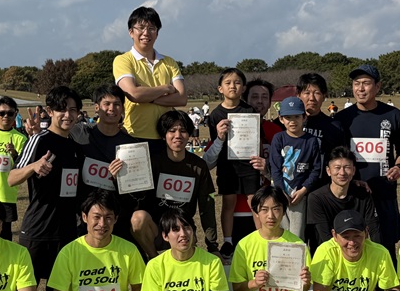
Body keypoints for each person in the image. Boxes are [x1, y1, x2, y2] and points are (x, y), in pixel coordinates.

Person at [8, 86, 84, 291]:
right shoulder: (39, 140)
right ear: (50, 111)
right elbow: (12, 178)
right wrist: (33, 167)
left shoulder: (75, 145)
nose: (67, 115)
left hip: (66, 232)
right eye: (62, 109)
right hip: (37, 230)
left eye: (73, 110)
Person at [336, 64, 400, 266]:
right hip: (352, 194)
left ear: (377, 86)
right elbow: (336, 156)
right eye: (356, 83)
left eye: (366, 83)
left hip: (384, 191)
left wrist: (398, 167)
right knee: (352, 247)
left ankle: (388, 284)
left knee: (385, 248)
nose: (360, 88)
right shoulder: (342, 119)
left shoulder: (393, 115)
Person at [133, 111, 219, 259]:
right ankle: (154, 261)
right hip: (155, 229)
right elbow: (137, 198)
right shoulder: (152, 162)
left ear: (189, 134)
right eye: (172, 131)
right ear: (163, 135)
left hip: (183, 229)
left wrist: (212, 246)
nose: (178, 135)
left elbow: (207, 207)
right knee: (138, 218)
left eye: (183, 131)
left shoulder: (199, 166)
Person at [70, 84, 141, 241]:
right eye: (106, 104)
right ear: (97, 107)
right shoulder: (79, 133)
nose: (112, 109)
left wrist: (119, 180)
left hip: (117, 220)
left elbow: (134, 197)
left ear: (123, 108)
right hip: (83, 218)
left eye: (117, 104)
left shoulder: (132, 146)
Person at [113, 6, 186, 149]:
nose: (146, 33)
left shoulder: (169, 62)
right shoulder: (123, 60)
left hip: (165, 137)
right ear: (131, 32)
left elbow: (181, 98)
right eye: (140, 28)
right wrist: (165, 88)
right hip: (134, 135)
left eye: (152, 28)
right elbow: (133, 94)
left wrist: (147, 97)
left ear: (157, 33)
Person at [208, 68, 261, 260]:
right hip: (227, 166)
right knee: (228, 203)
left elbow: (257, 139)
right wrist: (220, 134)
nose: (233, 86)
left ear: (243, 88)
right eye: (228, 83)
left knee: (254, 202)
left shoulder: (250, 111)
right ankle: (228, 241)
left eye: (237, 82)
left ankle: (260, 239)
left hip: (249, 165)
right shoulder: (215, 114)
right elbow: (215, 144)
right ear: (220, 88)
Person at [306, 146, 380, 252]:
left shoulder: (363, 195)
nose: (342, 172)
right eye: (337, 167)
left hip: (357, 251)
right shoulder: (316, 198)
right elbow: (325, 236)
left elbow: (373, 228)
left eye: (347, 167)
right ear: (328, 171)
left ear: (353, 170)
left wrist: (377, 252)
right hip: (329, 253)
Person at [269, 97, 321, 240]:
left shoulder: (311, 141)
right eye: (288, 117)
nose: (292, 121)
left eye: (297, 116)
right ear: (281, 119)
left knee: (297, 235)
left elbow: (316, 169)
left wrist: (304, 190)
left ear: (304, 117)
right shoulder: (278, 138)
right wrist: (281, 191)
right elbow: (275, 168)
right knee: (279, 233)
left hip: (299, 195)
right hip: (279, 194)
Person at [296, 73, 348, 190]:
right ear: (298, 95)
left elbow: (341, 157)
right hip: (293, 186)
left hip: (322, 188)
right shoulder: (285, 124)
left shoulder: (334, 126)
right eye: (307, 93)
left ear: (324, 96)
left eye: (317, 93)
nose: (312, 98)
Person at [0, 96, 28, 240]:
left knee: (4, 234)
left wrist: (14, 154)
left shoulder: (21, 139)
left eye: (10, 113)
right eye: (2, 113)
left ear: (16, 114)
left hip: (6, 194)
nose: (5, 116)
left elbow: (24, 168)